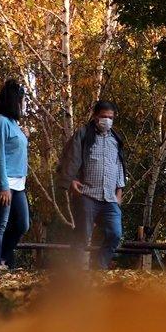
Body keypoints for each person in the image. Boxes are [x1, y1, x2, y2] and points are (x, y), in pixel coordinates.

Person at [56, 101, 126, 269]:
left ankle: (100, 267)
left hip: (110, 198)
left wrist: (119, 193)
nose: (107, 120)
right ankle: (75, 273)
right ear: (95, 116)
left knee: (115, 234)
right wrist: (71, 180)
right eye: (103, 116)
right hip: (87, 194)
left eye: (111, 117)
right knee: (82, 235)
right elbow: (69, 158)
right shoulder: (83, 134)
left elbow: (119, 166)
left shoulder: (116, 139)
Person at [0, 80, 30, 269]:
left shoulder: (14, 124)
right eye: (22, 100)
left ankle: (2, 257)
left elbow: (15, 149)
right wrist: (3, 186)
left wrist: (25, 136)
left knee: (23, 224)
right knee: (0, 224)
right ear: (14, 100)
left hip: (19, 183)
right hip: (4, 182)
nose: (24, 104)